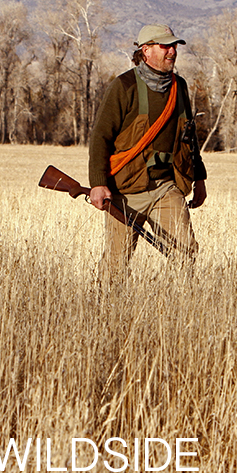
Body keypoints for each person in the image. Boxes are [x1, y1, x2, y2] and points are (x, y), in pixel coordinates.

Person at [87, 23, 207, 281]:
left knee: (185, 253)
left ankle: (178, 304)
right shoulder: (123, 86)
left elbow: (189, 137)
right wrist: (97, 183)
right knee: (115, 265)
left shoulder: (179, 86)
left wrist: (199, 178)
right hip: (125, 189)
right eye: (165, 46)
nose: (172, 51)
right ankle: (106, 303)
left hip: (166, 187)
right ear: (146, 50)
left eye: (174, 46)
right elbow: (100, 138)